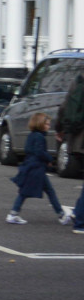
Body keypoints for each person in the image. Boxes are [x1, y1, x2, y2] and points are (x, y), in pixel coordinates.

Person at [7, 112, 72, 225]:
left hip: (30, 166)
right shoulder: (40, 137)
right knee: (48, 191)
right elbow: (39, 152)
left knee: (25, 192)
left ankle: (14, 213)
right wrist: (50, 159)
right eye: (47, 124)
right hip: (36, 168)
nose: (49, 126)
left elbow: (29, 150)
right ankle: (61, 215)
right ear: (40, 124)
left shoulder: (32, 135)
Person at [57, 72, 84, 234]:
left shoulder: (78, 80)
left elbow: (64, 106)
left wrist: (60, 128)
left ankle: (77, 214)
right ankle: (80, 222)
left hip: (76, 141)